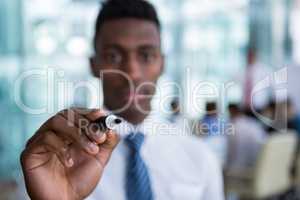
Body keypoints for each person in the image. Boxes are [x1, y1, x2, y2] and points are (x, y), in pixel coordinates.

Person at [20, 0, 224, 200]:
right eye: (113, 56)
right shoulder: (58, 160)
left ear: (162, 64)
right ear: (93, 64)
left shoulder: (200, 158)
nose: (132, 72)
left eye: (145, 56)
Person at [226, 103, 267, 171]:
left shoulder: (234, 127)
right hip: (261, 166)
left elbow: (232, 154)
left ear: (231, 111)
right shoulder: (253, 123)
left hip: (243, 170)